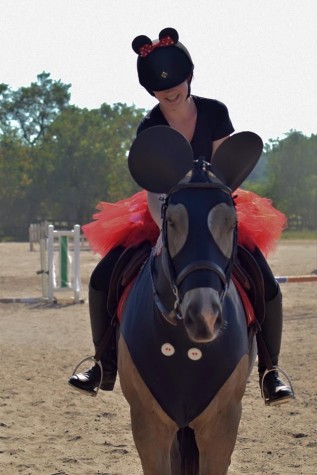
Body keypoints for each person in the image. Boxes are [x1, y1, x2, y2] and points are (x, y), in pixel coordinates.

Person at [68, 27, 294, 405]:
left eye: (176, 81)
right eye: (161, 86)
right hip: (162, 212)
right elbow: (155, 189)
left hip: (216, 206)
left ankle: (270, 370)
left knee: (264, 280)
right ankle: (102, 362)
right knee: (103, 276)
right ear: (151, 91)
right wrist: (167, 228)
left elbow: (227, 174)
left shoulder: (215, 112)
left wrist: (217, 217)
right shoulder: (150, 126)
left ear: (190, 76)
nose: (170, 89)